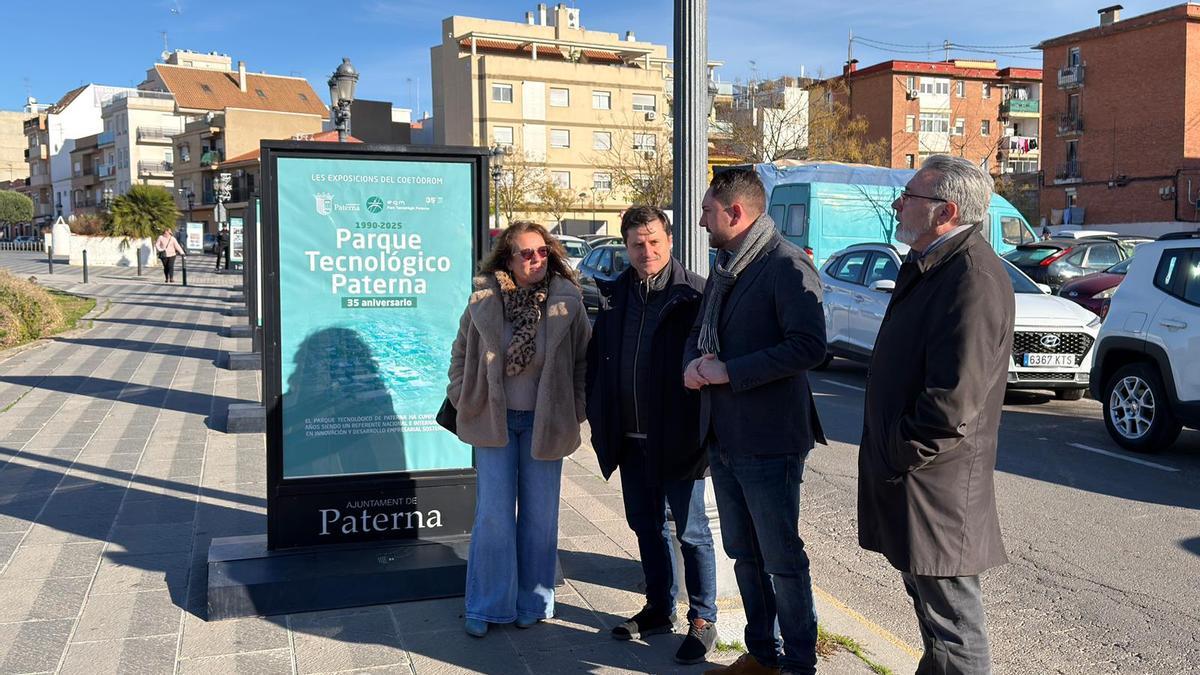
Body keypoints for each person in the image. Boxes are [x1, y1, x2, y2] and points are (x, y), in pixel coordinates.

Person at [857, 154, 1015, 675]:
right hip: (916, 480)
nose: (898, 205)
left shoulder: (971, 277)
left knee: (955, 629)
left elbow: (953, 403)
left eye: (909, 197)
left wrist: (899, 450)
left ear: (946, 211)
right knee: (934, 621)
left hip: (935, 486)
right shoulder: (934, 263)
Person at [683, 169, 827, 675]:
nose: (702, 221)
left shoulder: (786, 265)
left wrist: (730, 371)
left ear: (735, 212)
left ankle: (799, 665)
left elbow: (809, 346)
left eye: (708, 211)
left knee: (781, 560)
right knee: (744, 554)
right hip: (724, 435)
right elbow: (701, 330)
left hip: (769, 440)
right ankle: (763, 656)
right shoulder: (727, 265)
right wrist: (691, 365)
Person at [585, 206, 717, 665]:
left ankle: (703, 619)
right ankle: (659, 608)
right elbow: (596, 360)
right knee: (645, 524)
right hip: (629, 437)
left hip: (678, 438)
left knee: (692, 531)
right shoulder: (615, 295)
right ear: (626, 246)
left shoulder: (694, 294)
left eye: (655, 241)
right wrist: (597, 412)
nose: (647, 252)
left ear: (670, 240)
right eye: (637, 244)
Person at [447, 221, 590, 638]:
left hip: (546, 422)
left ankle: (534, 601)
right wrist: (463, 396)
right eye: (526, 253)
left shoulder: (567, 301)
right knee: (493, 517)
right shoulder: (484, 299)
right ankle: (486, 605)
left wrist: (575, 409)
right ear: (508, 259)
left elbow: (584, 361)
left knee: (540, 517)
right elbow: (460, 354)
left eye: (542, 251)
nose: (536, 259)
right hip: (493, 421)